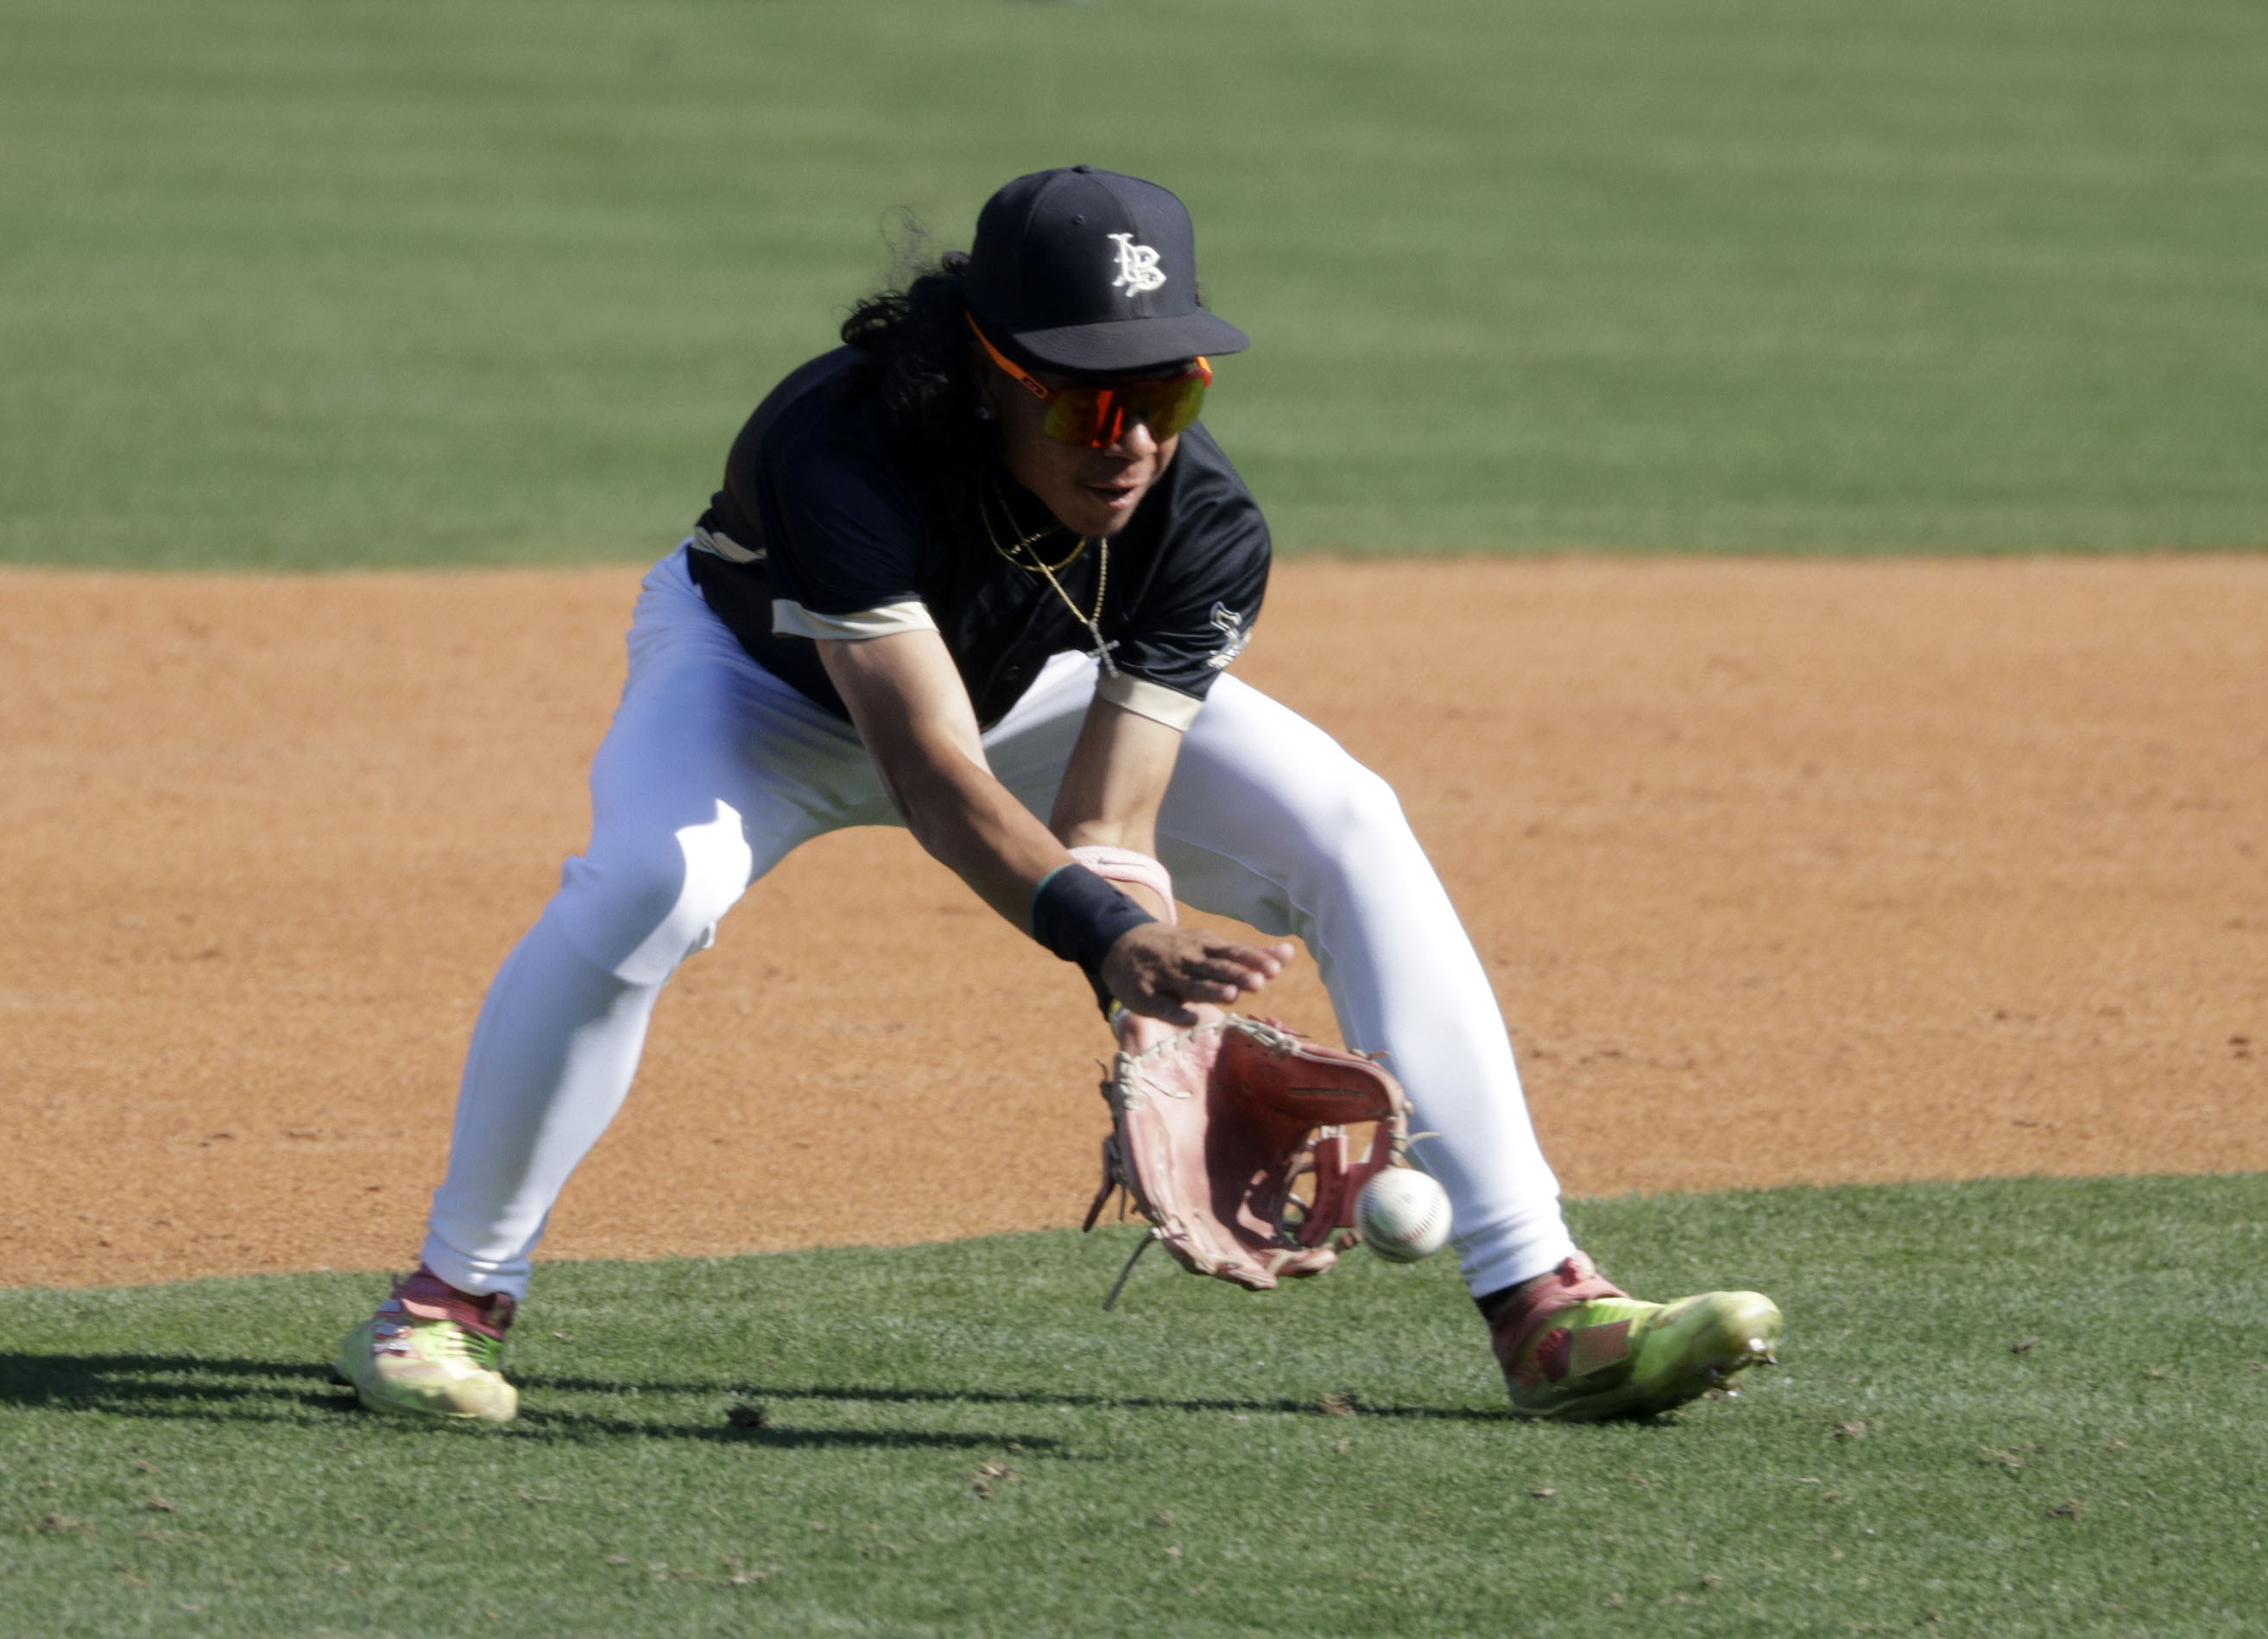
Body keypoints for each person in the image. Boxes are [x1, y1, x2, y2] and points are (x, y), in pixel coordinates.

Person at [334, 167, 1781, 1426]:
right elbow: (927, 769)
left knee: (1350, 820)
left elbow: (1111, 826)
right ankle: (446, 1302)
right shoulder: (838, 446)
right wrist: (1103, 937)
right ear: (985, 367)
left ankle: (1546, 1305)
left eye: (1168, 388)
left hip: (1029, 689)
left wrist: (1164, 1021)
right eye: (1089, 393)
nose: (1130, 436)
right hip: (764, 694)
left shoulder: (1202, 529)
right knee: (655, 886)